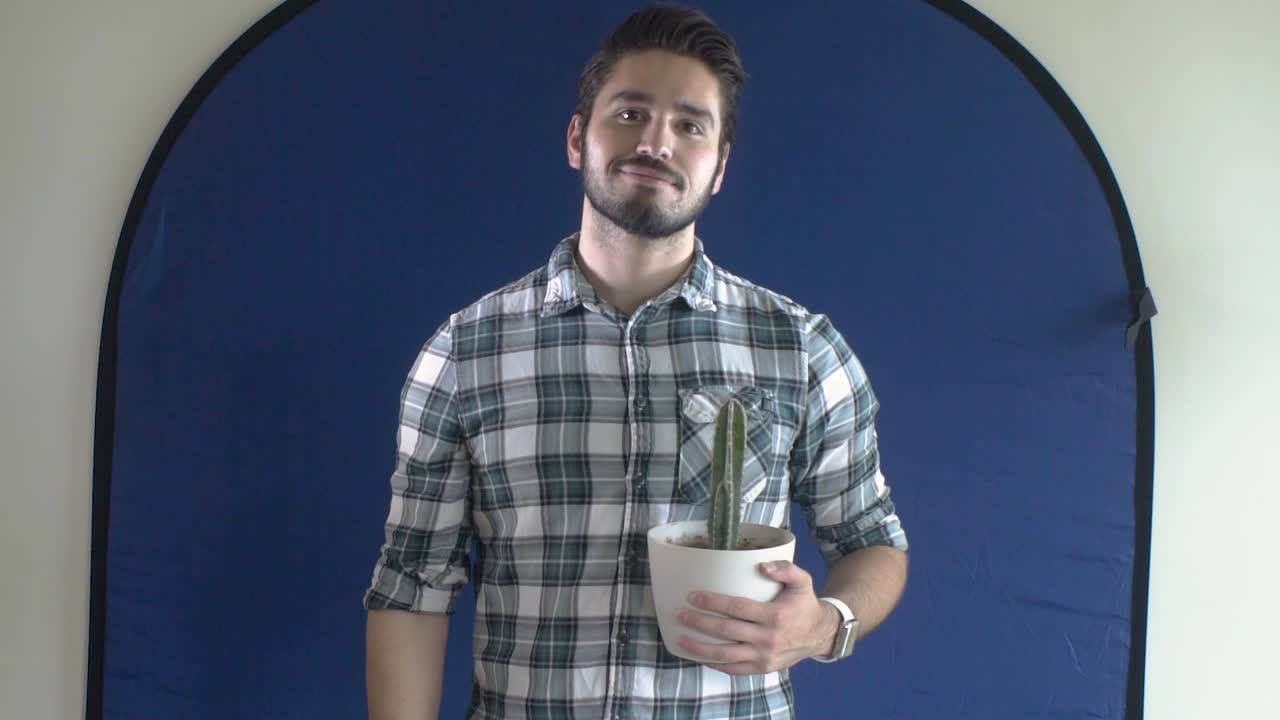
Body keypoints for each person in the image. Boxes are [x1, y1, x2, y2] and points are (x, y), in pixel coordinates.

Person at [364, 5, 908, 719]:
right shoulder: (464, 351)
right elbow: (412, 584)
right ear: (575, 138)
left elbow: (874, 542)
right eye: (629, 113)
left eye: (690, 125)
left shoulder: (800, 346)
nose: (656, 141)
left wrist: (826, 625)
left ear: (719, 168)